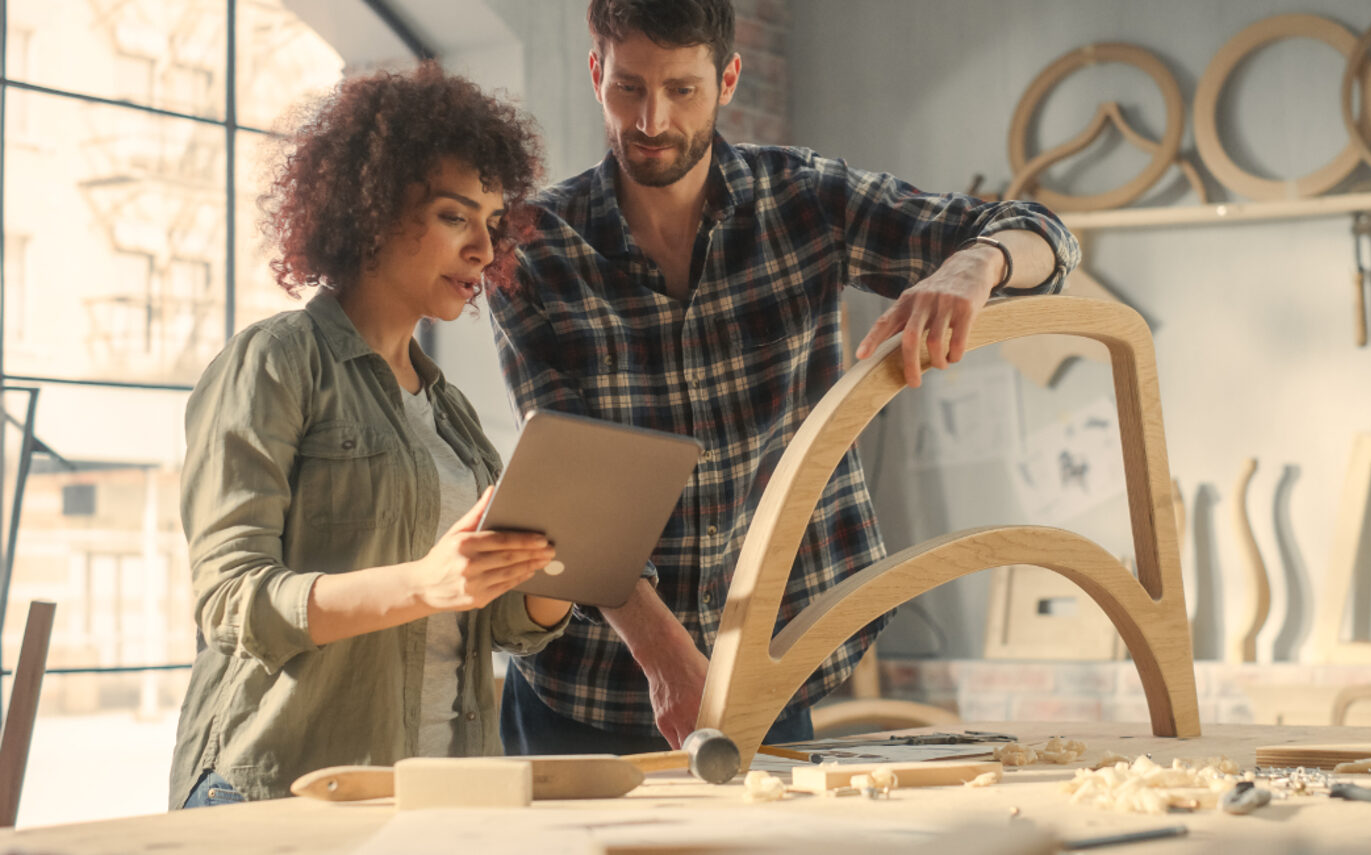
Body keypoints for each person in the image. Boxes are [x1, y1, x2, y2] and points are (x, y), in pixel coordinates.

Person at [489, 0, 1081, 754]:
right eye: (629, 88)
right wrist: (666, 655)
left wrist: (975, 263)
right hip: (587, 685)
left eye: (682, 90)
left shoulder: (805, 199)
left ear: (727, 77)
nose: (651, 121)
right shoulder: (533, 248)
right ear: (596, 71)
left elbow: (1045, 238)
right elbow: (568, 486)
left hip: (770, 662)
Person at [170, 64, 572, 809]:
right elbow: (230, 598)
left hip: (436, 794)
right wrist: (423, 583)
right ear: (376, 210)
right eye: (457, 217)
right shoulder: (275, 363)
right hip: (280, 794)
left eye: (492, 222)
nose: (484, 249)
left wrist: (563, 565)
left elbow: (507, 625)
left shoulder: (450, 415)